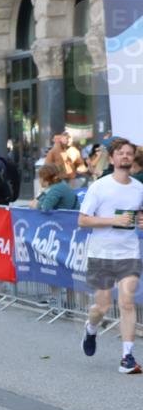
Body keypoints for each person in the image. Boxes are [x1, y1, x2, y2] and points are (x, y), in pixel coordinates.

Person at [77, 137, 143, 374]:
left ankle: (127, 357)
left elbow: (140, 216)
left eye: (129, 153)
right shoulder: (100, 186)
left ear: (133, 158)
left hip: (129, 252)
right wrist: (113, 220)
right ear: (112, 158)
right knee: (102, 306)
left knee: (127, 301)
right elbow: (82, 220)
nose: (125, 156)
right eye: (121, 153)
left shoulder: (139, 188)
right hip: (101, 253)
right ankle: (91, 328)